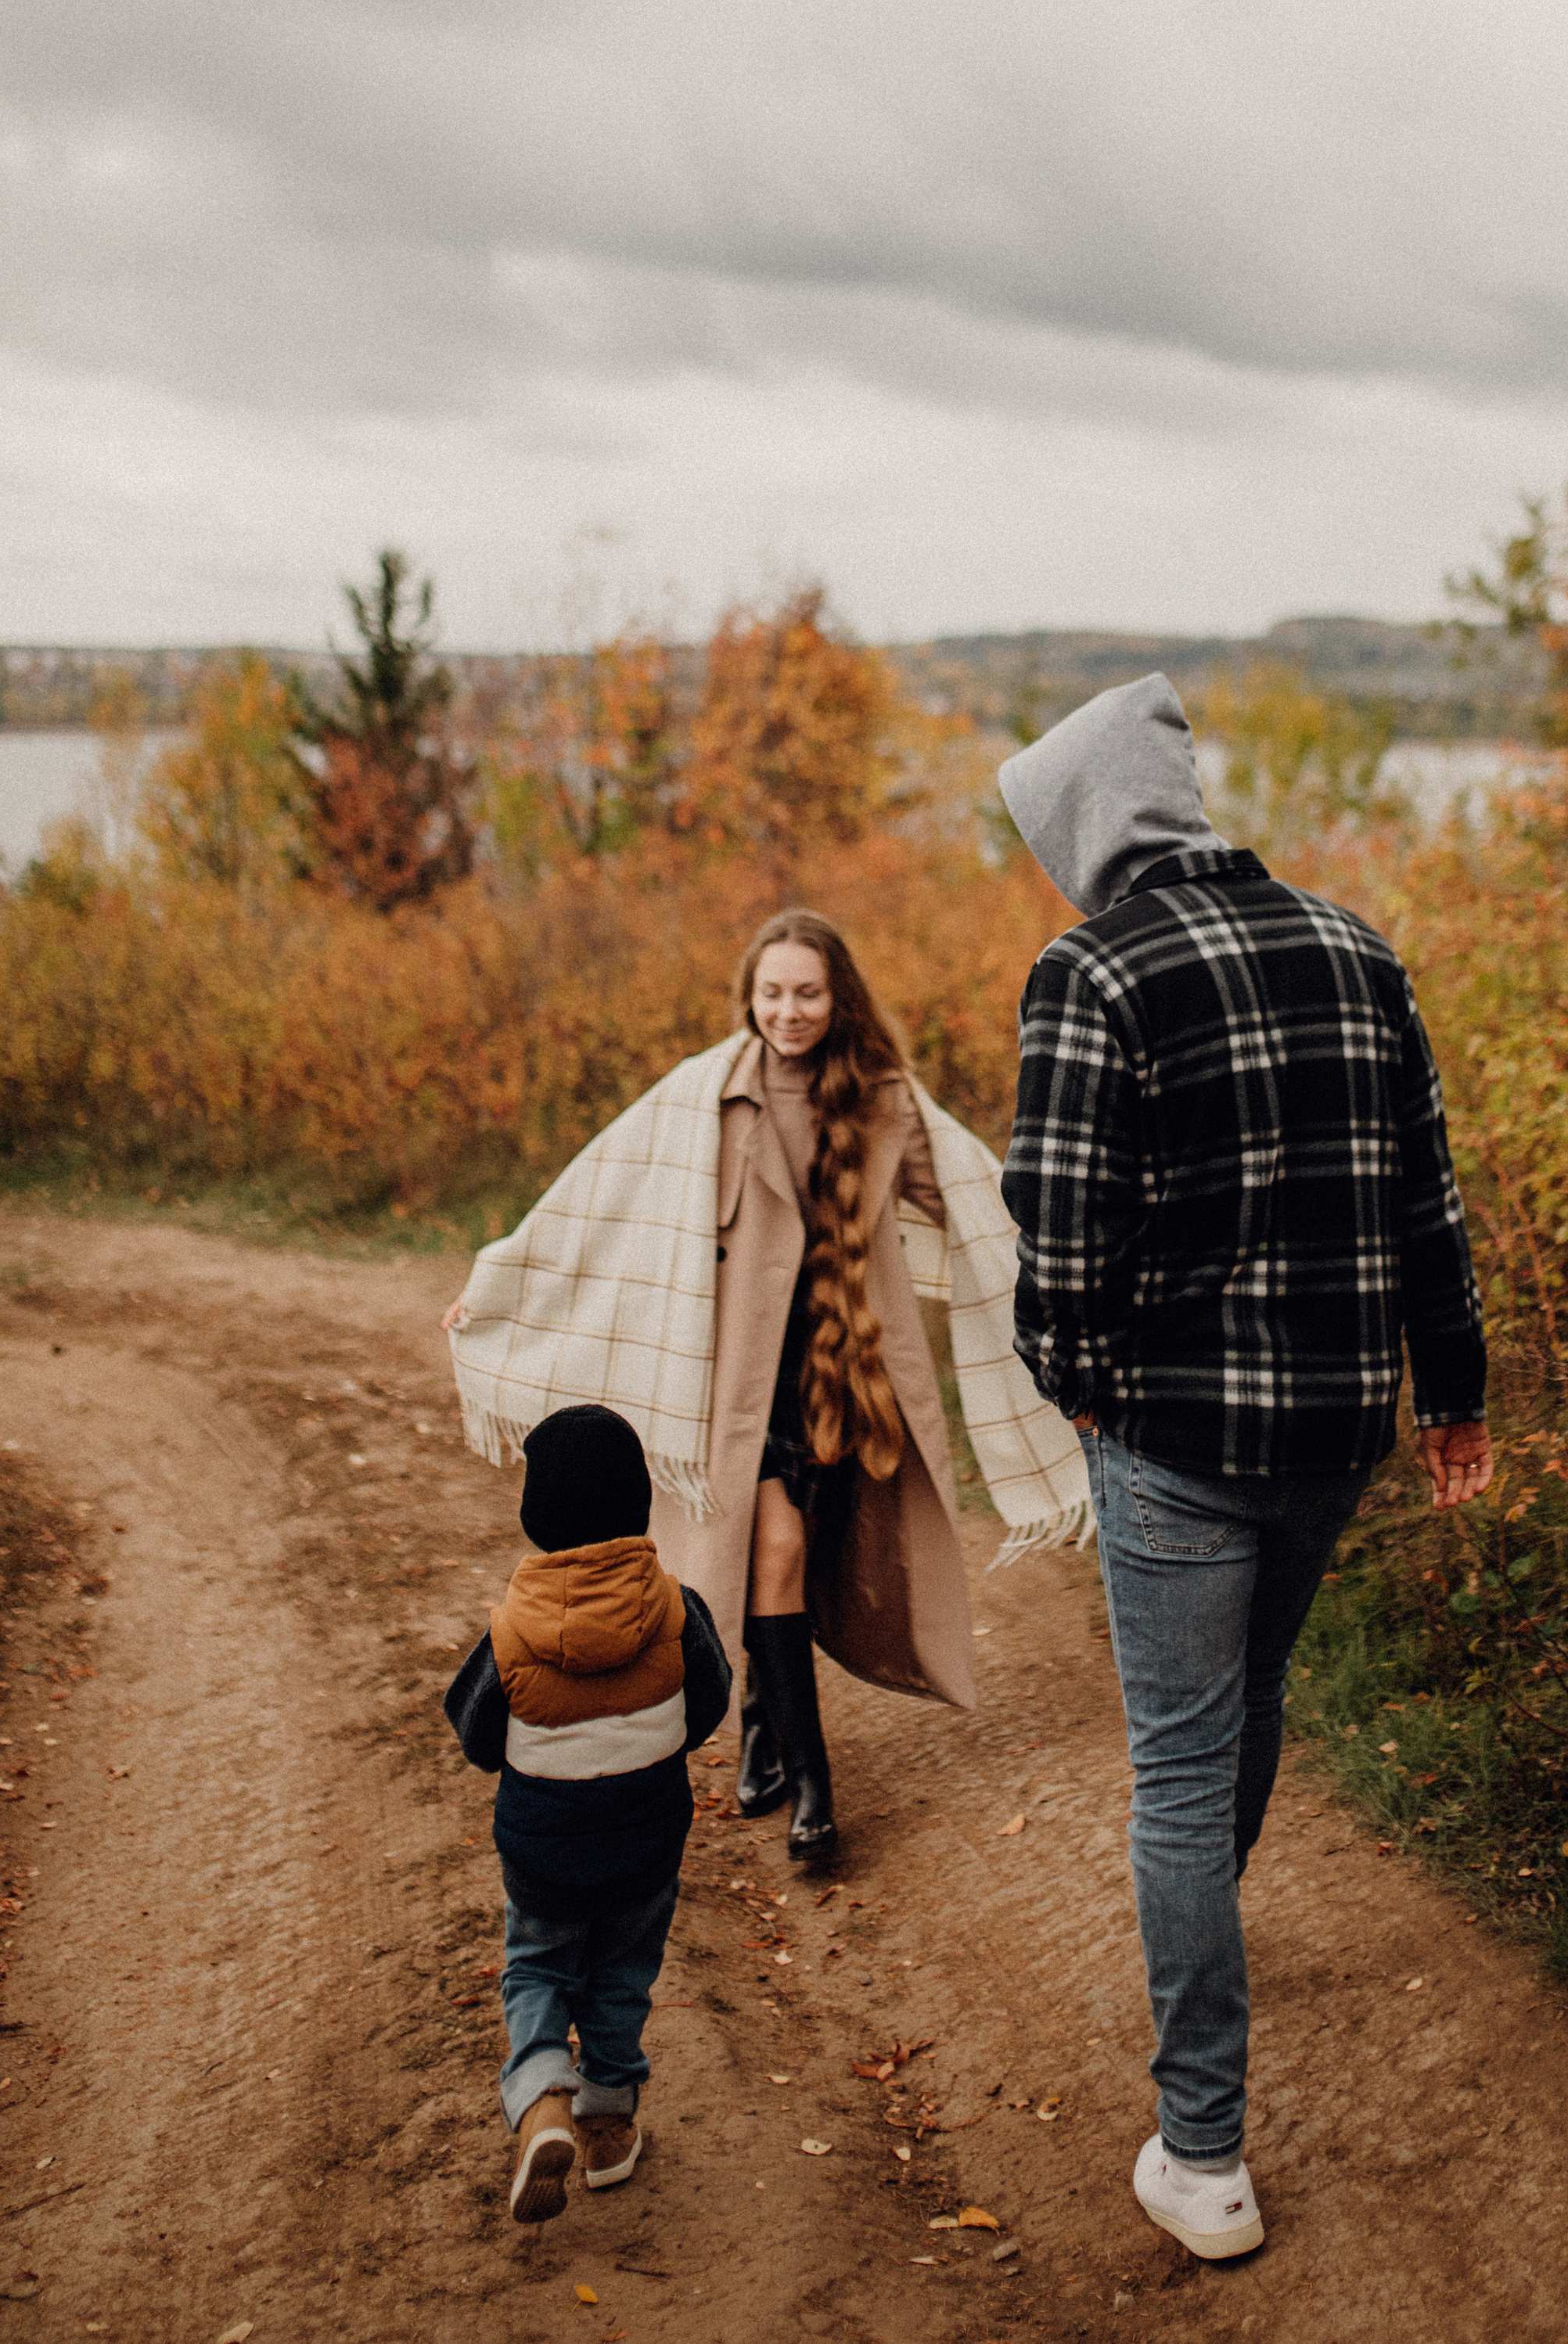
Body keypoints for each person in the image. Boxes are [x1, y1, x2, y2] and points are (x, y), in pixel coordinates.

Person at [998, 675, 1491, 2266]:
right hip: (1337, 1428)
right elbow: (1427, 1206)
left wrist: (1071, 1387)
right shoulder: (1357, 949)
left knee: (1181, 1768)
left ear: (1085, 825)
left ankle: (1202, 2154)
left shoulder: (1089, 974)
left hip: (1180, 1445)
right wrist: (1451, 1397)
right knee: (1251, 1695)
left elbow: (1056, 1234)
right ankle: (1201, 1921)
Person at [445, 909, 1088, 1865]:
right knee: (777, 1547)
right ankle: (814, 1792)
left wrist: (1086, 1250)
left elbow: (982, 1197)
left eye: (808, 993)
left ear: (839, 1000)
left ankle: (759, 1722)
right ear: (750, 995)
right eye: (772, 992)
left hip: (836, 1377)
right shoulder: (701, 1096)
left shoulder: (883, 1100)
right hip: (731, 1384)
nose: (788, 1011)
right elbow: (592, 1201)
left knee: (786, 1555)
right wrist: (497, 1282)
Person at [444, 1402, 732, 2224]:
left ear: (537, 1516)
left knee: (538, 1966)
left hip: (543, 1852)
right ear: (640, 1503)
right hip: (646, 1843)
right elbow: (708, 1704)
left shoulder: (510, 1633)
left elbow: (474, 1733)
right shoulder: (680, 1612)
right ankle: (608, 2127)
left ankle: (541, 2099)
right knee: (620, 1973)